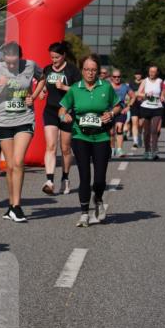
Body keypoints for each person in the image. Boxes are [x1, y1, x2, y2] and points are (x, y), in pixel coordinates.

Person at [0, 41, 41, 223]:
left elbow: (43, 77)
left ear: (19, 57)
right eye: (8, 62)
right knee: (11, 165)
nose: (11, 66)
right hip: (4, 121)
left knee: (19, 161)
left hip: (25, 119)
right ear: (4, 58)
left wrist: (33, 96)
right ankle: (11, 206)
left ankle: (17, 206)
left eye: (14, 62)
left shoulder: (30, 65)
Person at [58, 55, 120, 226]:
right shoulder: (75, 89)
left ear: (98, 71)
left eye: (93, 70)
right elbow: (62, 109)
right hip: (80, 136)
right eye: (87, 69)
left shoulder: (106, 87)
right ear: (82, 70)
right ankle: (84, 213)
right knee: (84, 176)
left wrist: (111, 113)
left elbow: (117, 105)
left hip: (101, 137)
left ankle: (98, 199)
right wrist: (65, 115)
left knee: (99, 178)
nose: (90, 73)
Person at [33, 41, 78, 196]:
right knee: (51, 146)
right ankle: (50, 180)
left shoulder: (72, 70)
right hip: (51, 111)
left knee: (65, 148)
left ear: (64, 55)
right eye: (52, 57)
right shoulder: (47, 69)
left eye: (57, 57)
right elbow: (44, 85)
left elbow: (80, 90)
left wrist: (65, 87)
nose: (54, 60)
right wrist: (42, 91)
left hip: (67, 112)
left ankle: (65, 178)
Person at [135, 65, 165, 160]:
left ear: (157, 72)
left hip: (157, 107)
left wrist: (162, 95)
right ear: (148, 72)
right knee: (147, 131)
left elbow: (164, 90)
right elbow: (137, 93)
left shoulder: (160, 81)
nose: (152, 73)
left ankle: (154, 151)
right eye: (150, 71)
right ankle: (147, 150)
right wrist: (145, 94)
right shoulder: (145, 81)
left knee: (154, 130)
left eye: (154, 71)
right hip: (146, 107)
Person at [108, 68, 130, 157]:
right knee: (111, 132)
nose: (117, 78)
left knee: (119, 128)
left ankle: (119, 149)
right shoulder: (107, 86)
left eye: (119, 76)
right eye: (115, 77)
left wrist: (128, 107)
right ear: (111, 77)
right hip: (109, 111)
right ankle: (112, 149)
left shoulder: (125, 86)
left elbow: (133, 96)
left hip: (121, 111)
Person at [127, 71, 143, 148]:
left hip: (143, 104)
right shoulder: (131, 83)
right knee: (134, 122)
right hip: (134, 104)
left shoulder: (144, 82)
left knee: (141, 124)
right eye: (136, 74)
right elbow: (130, 93)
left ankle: (139, 136)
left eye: (139, 74)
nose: (138, 76)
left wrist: (140, 95)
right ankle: (135, 141)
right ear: (134, 75)